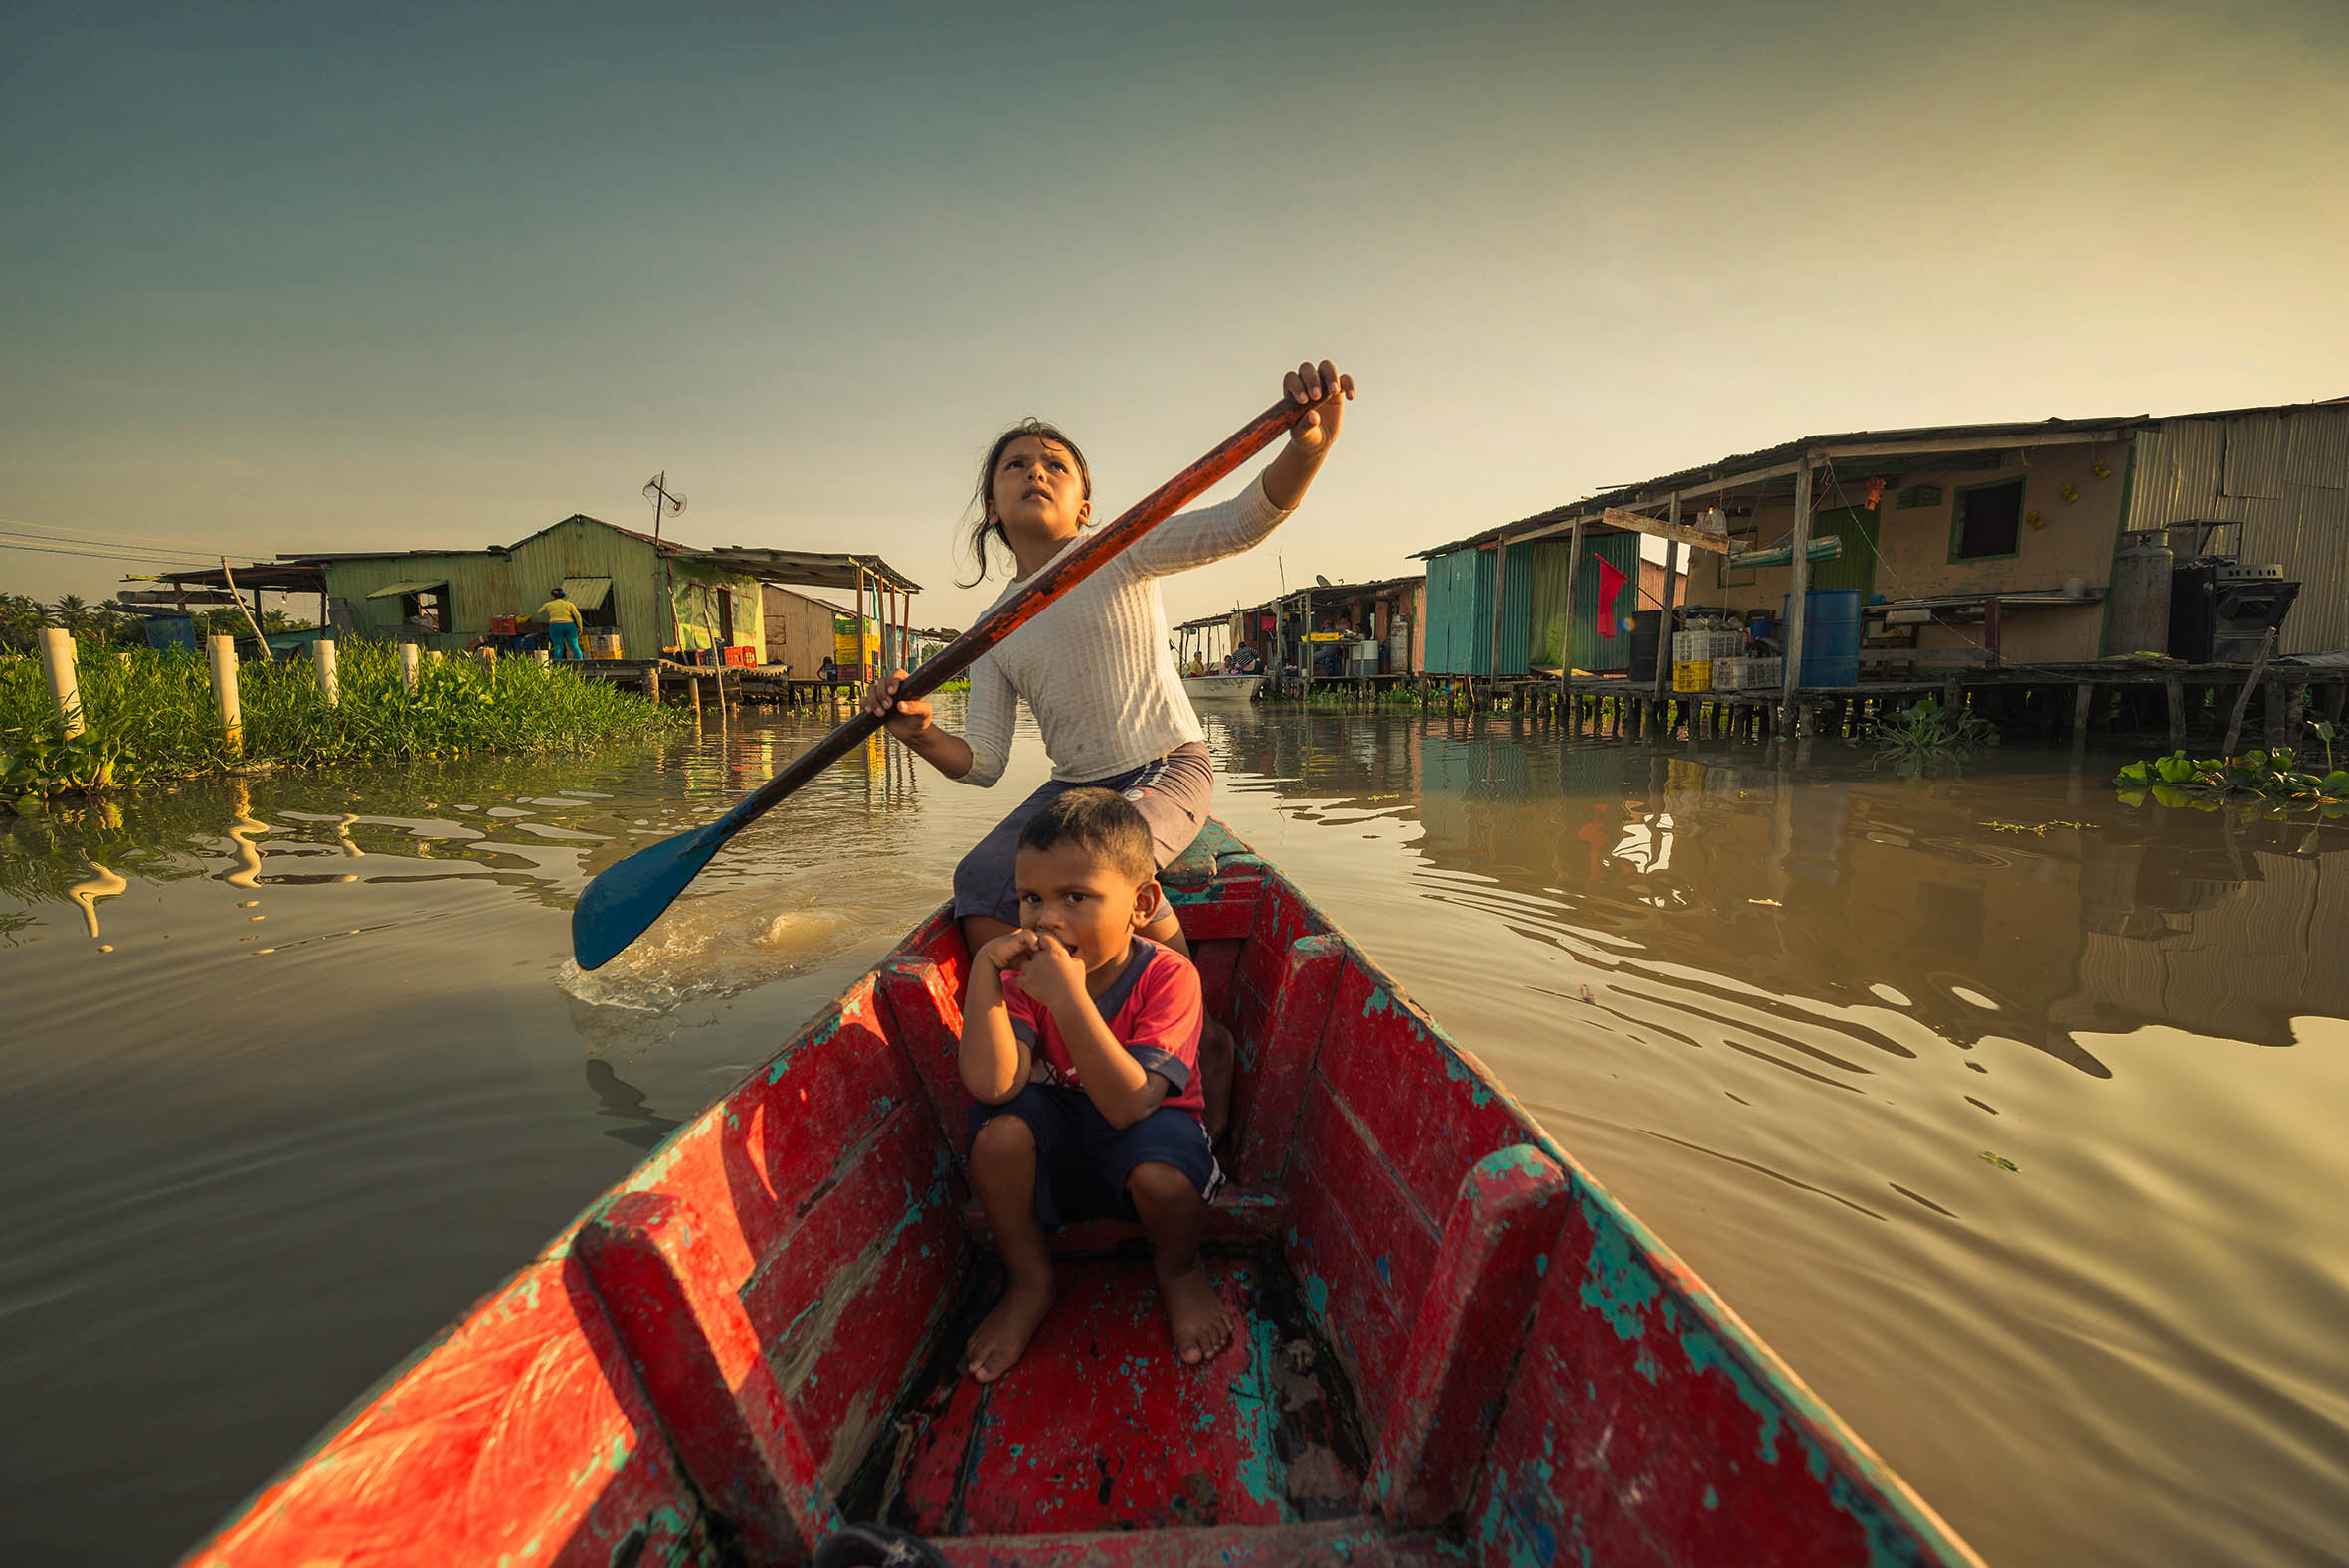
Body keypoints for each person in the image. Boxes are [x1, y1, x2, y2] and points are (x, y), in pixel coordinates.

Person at [864, 361, 1355, 1142]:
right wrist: (919, 730)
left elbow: (1242, 521)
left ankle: (1198, 1039)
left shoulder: (1120, 547)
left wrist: (1309, 447)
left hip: (1167, 762)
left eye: (1055, 464)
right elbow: (983, 761)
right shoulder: (994, 628)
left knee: (1106, 862)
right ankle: (1048, 1031)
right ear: (993, 507)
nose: (1035, 472)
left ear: (1083, 504)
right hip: (1076, 783)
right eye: (1017, 465)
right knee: (979, 881)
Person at [960, 790, 1222, 1380]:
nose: (1047, 919)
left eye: (1075, 897)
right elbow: (993, 1085)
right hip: (1064, 1137)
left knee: (1164, 1178)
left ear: (1141, 903)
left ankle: (1180, 1271)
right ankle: (1029, 1281)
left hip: (1145, 1129)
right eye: (1032, 899)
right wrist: (986, 973)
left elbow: (1132, 1105)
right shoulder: (1026, 976)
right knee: (996, 1137)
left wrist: (1071, 1001)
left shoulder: (1168, 976)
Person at [536, 588, 584, 660]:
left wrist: (549, 610)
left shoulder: (549, 604)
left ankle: (557, 666)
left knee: (558, 647)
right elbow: (577, 616)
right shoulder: (569, 604)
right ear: (563, 596)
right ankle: (581, 663)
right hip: (569, 626)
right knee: (574, 646)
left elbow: (539, 612)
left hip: (555, 626)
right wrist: (580, 627)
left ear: (552, 596)